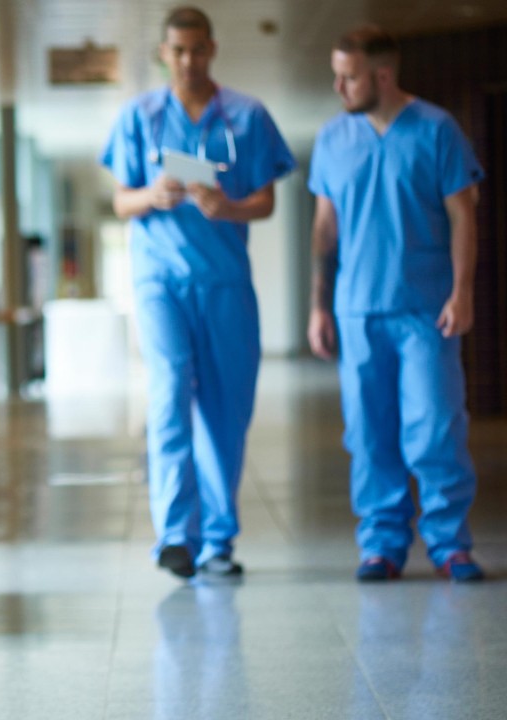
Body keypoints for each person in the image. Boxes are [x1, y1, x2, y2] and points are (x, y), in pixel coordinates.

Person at [100, 6, 294, 579]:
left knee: (225, 411)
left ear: (212, 49)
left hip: (225, 283)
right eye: (177, 51)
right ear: (164, 53)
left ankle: (217, 540)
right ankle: (175, 536)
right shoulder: (139, 116)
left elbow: (266, 200)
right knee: (168, 395)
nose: (188, 61)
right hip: (160, 279)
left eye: (197, 49)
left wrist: (228, 207)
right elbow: (121, 200)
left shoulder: (247, 116)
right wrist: (151, 196)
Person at [307, 26, 485, 583]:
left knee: (434, 428)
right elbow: (325, 229)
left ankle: (449, 543)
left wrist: (462, 290)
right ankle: (381, 544)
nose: (338, 86)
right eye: (336, 75)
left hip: (425, 310)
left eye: (349, 76)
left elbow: (463, 214)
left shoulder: (436, 129)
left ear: (382, 75)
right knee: (368, 433)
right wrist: (318, 306)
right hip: (357, 310)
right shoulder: (333, 139)